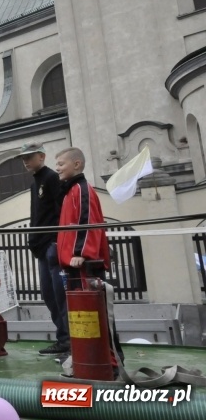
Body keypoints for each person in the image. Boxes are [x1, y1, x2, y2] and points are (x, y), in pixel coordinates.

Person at [55, 147, 122, 373]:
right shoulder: (71, 191)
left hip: (84, 265)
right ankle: (88, 356)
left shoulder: (81, 190)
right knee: (82, 316)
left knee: (94, 313)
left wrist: (80, 254)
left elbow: (86, 223)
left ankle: (110, 361)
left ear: (76, 164)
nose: (57, 168)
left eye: (61, 163)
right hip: (74, 265)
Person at [18, 141, 67, 358]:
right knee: (49, 295)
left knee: (59, 295)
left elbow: (60, 211)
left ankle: (68, 342)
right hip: (42, 246)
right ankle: (64, 340)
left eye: (29, 157)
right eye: (24, 158)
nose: (25, 161)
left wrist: (55, 241)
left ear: (41, 157)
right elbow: (36, 215)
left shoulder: (51, 178)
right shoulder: (35, 182)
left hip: (52, 245)